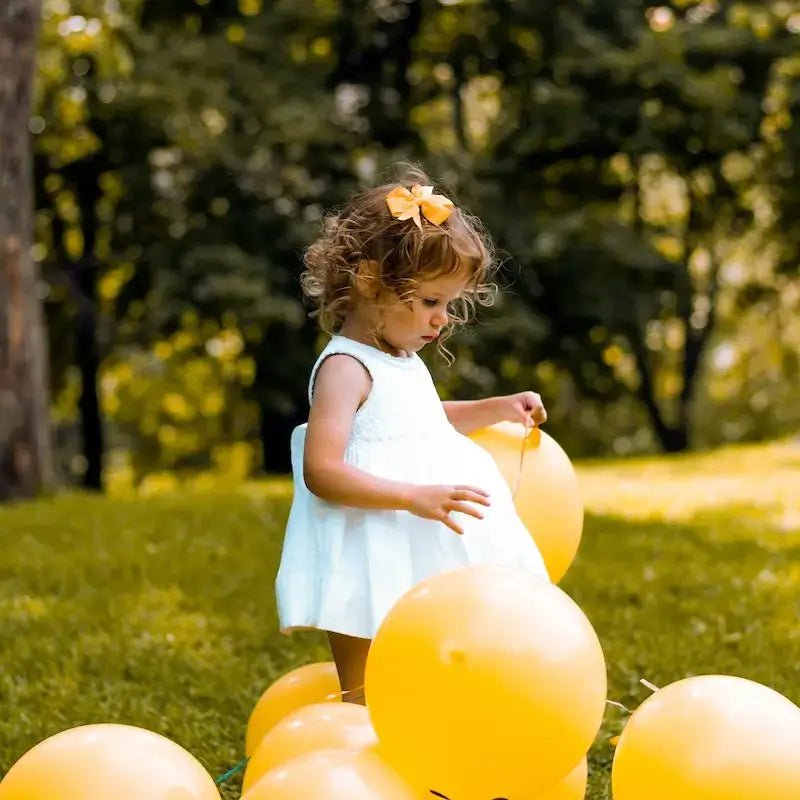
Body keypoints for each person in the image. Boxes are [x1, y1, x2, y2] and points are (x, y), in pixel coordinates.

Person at [275, 164, 550, 704]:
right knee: (366, 683)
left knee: (428, 665)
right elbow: (322, 469)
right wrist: (411, 496)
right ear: (370, 282)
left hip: (415, 536)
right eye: (429, 302)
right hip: (369, 541)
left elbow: (420, 424)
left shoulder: (398, 358)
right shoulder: (345, 367)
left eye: (448, 304)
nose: (442, 319)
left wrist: (496, 408)